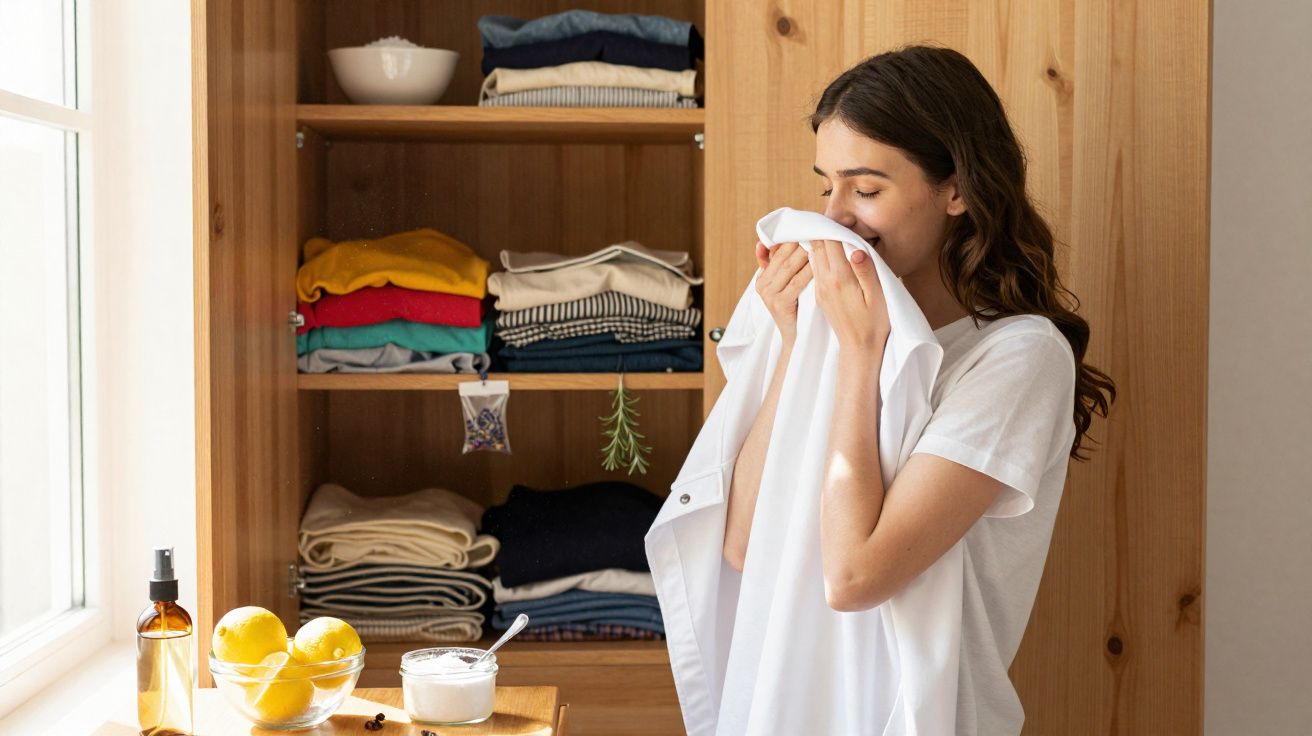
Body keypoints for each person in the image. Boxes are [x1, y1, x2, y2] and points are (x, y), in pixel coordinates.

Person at [721, 45, 1117, 733]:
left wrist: (860, 354)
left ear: (956, 190)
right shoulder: (841, 332)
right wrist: (793, 344)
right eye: (826, 188)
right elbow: (746, 548)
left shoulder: (1019, 359)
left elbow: (855, 578)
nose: (836, 217)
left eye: (866, 189)